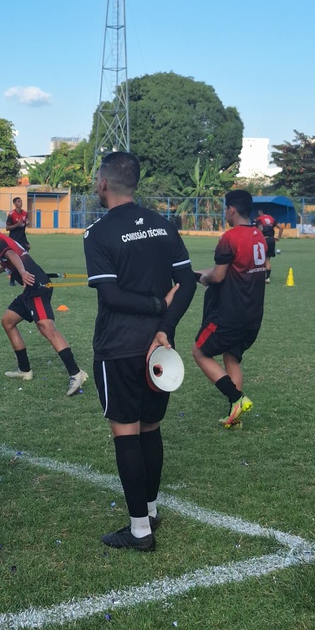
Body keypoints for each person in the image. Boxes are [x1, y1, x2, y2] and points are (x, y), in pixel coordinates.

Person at [83, 151, 196, 551]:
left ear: (103, 184)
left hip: (118, 349)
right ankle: (148, 510)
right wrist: (164, 328)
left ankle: (139, 531)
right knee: (150, 429)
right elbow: (187, 282)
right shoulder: (163, 225)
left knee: (127, 434)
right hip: (160, 351)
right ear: (134, 184)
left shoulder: (98, 233)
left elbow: (111, 296)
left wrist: (157, 310)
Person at [0, 212, 87, 396]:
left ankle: (76, 373)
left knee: (46, 327)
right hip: (31, 289)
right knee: (8, 321)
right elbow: (9, 257)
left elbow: (12, 254)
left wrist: (22, 271)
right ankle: (24, 369)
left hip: (36, 286)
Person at [192, 190, 268, 429]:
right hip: (253, 315)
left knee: (199, 352)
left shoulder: (229, 237)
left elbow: (218, 276)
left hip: (230, 314)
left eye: (225, 209)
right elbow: (237, 268)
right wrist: (201, 273)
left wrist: (204, 279)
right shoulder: (259, 235)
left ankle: (236, 398)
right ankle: (234, 415)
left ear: (232, 210)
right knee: (231, 357)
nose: (225, 213)